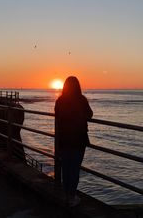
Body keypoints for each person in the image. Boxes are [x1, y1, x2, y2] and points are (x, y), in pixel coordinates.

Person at [55, 76, 93, 207]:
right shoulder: (81, 100)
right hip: (78, 139)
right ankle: (72, 197)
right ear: (78, 86)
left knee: (65, 168)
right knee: (74, 169)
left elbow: (58, 117)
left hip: (64, 139)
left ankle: (67, 195)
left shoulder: (60, 101)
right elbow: (90, 114)